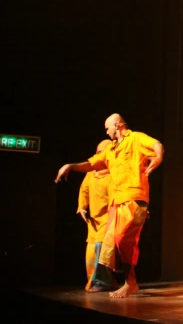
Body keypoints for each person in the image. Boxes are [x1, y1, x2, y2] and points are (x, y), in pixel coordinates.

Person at [55, 114, 164, 298]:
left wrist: (159, 157)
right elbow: (90, 164)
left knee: (123, 239)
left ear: (118, 125)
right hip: (117, 201)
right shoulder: (111, 151)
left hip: (134, 197)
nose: (106, 132)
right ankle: (129, 282)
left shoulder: (135, 138)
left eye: (108, 128)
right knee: (114, 244)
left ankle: (130, 282)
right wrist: (71, 166)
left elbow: (156, 144)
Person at [78, 140, 116, 292]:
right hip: (93, 221)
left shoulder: (114, 174)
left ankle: (103, 282)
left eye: (102, 153)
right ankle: (94, 281)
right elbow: (84, 190)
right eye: (98, 152)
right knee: (91, 252)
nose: (98, 156)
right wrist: (82, 207)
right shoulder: (91, 173)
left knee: (102, 250)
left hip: (108, 219)